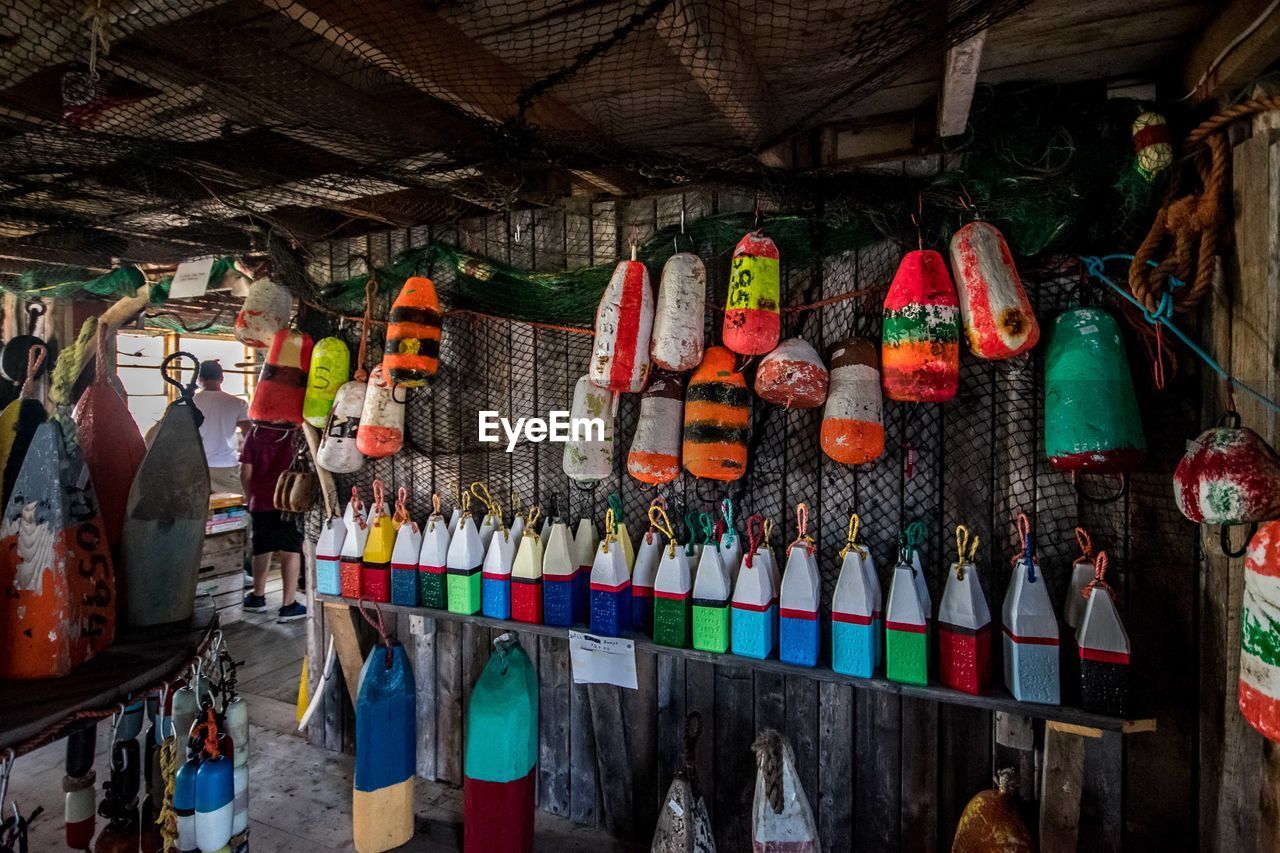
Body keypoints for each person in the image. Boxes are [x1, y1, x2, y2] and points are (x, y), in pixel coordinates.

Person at [240, 425, 307, 622]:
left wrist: (248, 496)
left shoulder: (254, 433)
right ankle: (288, 605)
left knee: (261, 548)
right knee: (291, 550)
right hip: (290, 500)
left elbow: (245, 471)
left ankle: (258, 597)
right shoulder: (297, 433)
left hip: (261, 500)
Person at [193, 360, 250, 495]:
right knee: (238, 503)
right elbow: (250, 435)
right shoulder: (238, 403)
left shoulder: (191, 402)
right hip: (226, 465)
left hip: (196, 466)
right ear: (222, 378)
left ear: (199, 379)